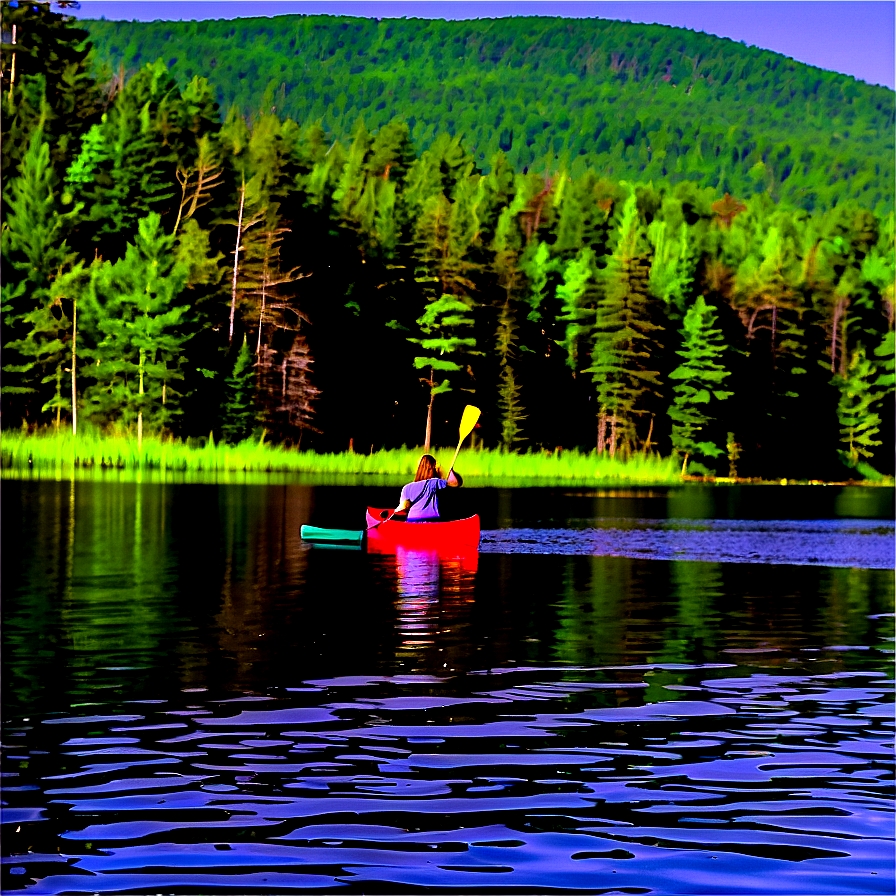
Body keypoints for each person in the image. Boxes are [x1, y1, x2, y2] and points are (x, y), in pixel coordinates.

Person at [392, 454, 462, 521]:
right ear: (432, 469)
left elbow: (403, 508)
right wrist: (445, 472)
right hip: (431, 521)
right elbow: (456, 483)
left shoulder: (406, 488)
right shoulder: (433, 483)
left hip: (412, 521)